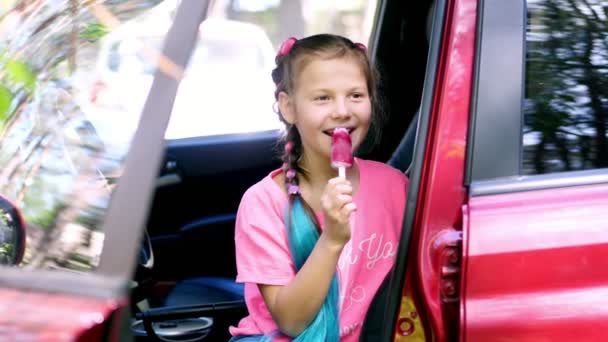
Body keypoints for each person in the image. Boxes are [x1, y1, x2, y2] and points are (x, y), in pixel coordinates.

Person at [229, 34, 408, 342]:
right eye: (322, 98)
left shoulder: (395, 186)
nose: (341, 110)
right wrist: (331, 240)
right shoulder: (263, 203)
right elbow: (292, 321)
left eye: (355, 95)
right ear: (288, 107)